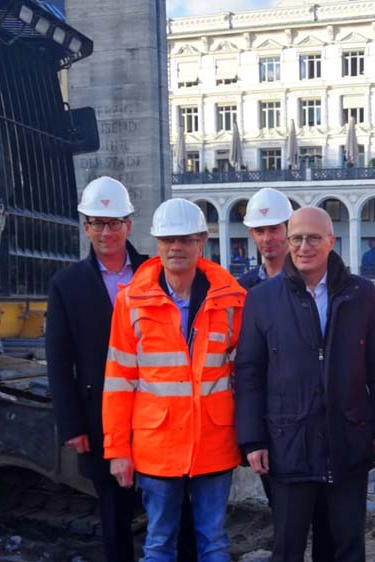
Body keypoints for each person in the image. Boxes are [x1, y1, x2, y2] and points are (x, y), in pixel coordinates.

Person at [234, 207, 375, 562]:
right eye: (296, 238)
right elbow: (249, 373)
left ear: (331, 241)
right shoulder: (263, 299)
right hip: (288, 444)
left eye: (313, 238)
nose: (304, 246)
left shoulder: (361, 294)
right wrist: (252, 440)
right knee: (288, 546)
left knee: (345, 547)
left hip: (347, 443)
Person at [102, 198, 246, 562]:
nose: (176, 247)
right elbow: (119, 379)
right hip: (158, 446)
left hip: (213, 442)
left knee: (213, 540)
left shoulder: (232, 301)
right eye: (168, 240)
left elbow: (245, 378)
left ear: (201, 242)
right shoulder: (132, 302)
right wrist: (117, 449)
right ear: (157, 244)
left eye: (185, 239)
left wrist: (251, 438)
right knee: (159, 542)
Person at [46, 177, 147, 562]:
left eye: (114, 222)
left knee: (169, 510)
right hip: (99, 416)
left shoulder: (153, 273)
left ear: (128, 225)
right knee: (114, 514)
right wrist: (71, 426)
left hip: (157, 411)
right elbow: (59, 360)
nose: (106, 232)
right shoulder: (66, 284)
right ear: (86, 227)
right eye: (97, 223)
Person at [238, 188, 292, 290]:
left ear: (289, 229)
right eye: (259, 231)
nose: (266, 238)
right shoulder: (243, 287)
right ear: (252, 235)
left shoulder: (308, 281)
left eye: (274, 229)